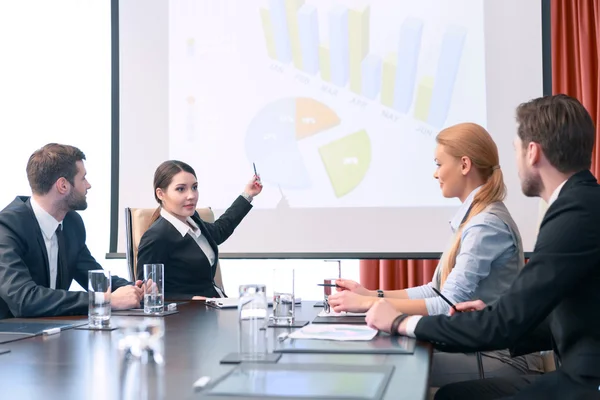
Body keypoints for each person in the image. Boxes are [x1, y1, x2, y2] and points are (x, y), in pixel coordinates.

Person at [366, 94, 600, 399]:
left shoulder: (575, 213)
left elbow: (506, 322)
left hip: (584, 383)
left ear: (533, 152)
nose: (514, 162)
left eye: (515, 150)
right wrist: (491, 311)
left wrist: (401, 322)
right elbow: (563, 314)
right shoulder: (581, 203)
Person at [327, 122, 543, 386]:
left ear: (464, 165)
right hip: (477, 347)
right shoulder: (475, 216)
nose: (435, 173)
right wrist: (371, 294)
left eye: (439, 164)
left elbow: (445, 305)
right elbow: (436, 290)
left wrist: (367, 305)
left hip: (500, 357)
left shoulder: (486, 224)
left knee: (395, 369)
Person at [0, 143, 143, 319]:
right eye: (83, 178)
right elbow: (24, 300)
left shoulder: (72, 222)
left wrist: (135, 289)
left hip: (51, 334)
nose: (88, 185)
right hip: (11, 338)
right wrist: (106, 300)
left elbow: (92, 275)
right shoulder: (7, 227)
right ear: (63, 186)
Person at [136, 160, 262, 299]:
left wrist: (248, 194)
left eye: (194, 187)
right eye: (181, 189)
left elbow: (220, 230)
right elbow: (146, 295)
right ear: (160, 194)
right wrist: (190, 300)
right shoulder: (156, 236)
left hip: (214, 307)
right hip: (188, 316)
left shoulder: (192, 219)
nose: (191, 195)